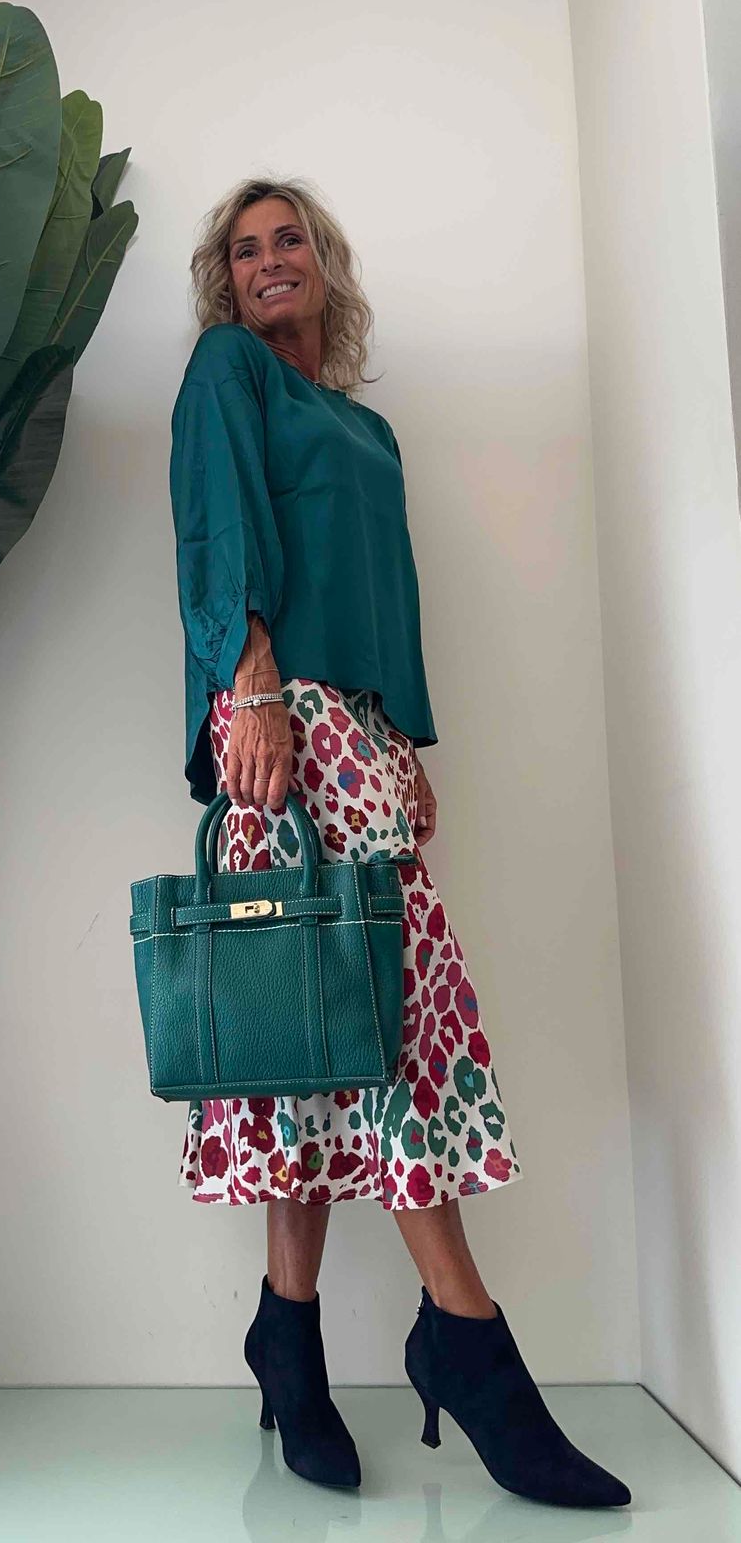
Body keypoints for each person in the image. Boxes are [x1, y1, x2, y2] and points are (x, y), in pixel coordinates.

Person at [167, 176, 631, 1509]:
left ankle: (286, 1336)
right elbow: (216, 526)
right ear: (225, 280)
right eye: (243, 249)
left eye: (289, 240)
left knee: (333, 1043)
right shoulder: (228, 374)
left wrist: (398, 738)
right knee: (362, 1034)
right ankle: (467, 1341)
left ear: (323, 262)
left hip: (355, 733)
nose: (268, 261)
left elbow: (386, 587)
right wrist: (252, 683)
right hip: (278, 720)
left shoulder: (364, 427)